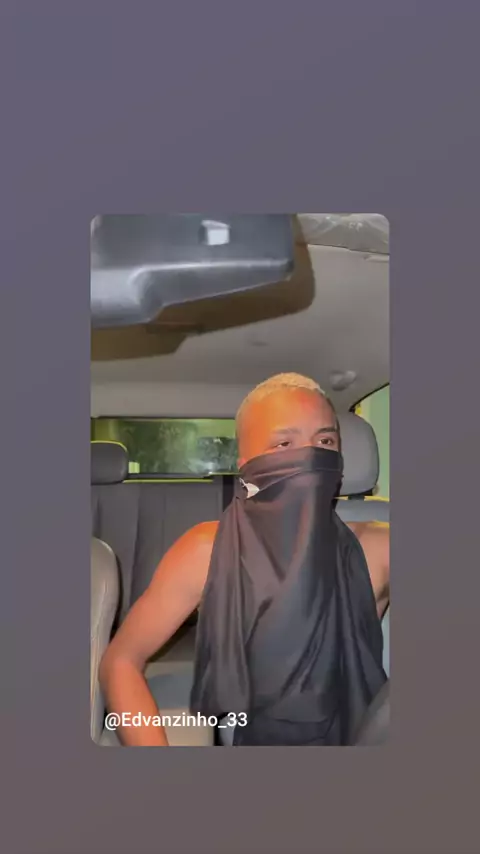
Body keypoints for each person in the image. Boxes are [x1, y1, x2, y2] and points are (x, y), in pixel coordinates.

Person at [99, 373, 390, 746]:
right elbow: (120, 661)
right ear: (247, 464)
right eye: (284, 443)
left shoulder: (378, 547)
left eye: (325, 441)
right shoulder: (206, 551)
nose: (311, 457)